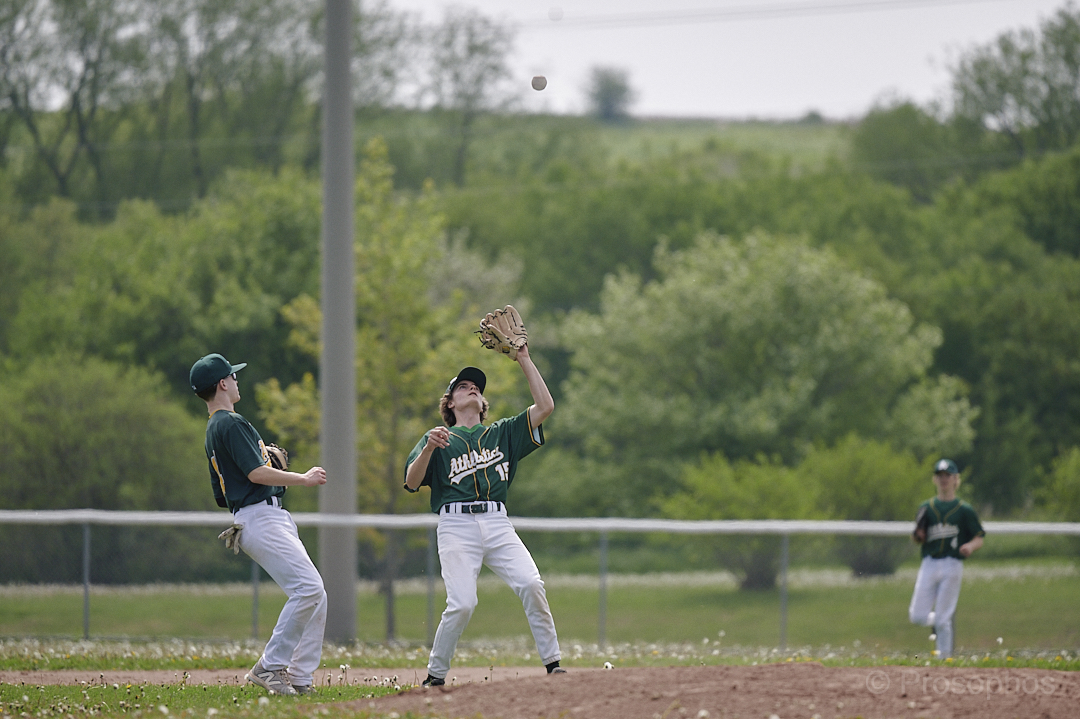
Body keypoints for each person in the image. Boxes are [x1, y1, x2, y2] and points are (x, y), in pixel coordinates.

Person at [404, 346, 564, 687]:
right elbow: (411, 482)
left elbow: (546, 407)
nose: (472, 388)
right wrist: (429, 447)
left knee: (531, 584)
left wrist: (524, 358)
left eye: (476, 386)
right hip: (456, 525)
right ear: (450, 403)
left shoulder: (502, 433)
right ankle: (435, 675)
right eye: (463, 387)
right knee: (462, 604)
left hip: (497, 522)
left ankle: (553, 664)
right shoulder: (439, 439)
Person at [190, 353, 328, 696]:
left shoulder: (214, 429)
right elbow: (255, 474)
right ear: (222, 384)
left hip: (259, 515)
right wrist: (302, 478)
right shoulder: (231, 423)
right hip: (260, 516)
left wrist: (263, 467)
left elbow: (223, 494)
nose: (237, 381)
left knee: (316, 593)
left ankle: (300, 677)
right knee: (308, 589)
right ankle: (269, 666)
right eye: (233, 376)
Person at [908, 458, 985, 659]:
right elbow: (917, 537)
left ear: (955, 479)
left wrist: (970, 546)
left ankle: (945, 660)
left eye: (947, 476)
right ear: (935, 479)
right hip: (929, 563)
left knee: (943, 621)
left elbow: (979, 537)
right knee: (917, 616)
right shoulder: (927, 507)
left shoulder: (964, 510)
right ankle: (941, 619)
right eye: (940, 475)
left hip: (952, 564)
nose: (944, 479)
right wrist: (918, 536)